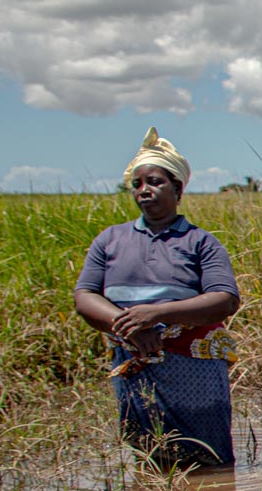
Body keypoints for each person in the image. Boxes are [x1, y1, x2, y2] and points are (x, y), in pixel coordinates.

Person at [74, 127, 240, 468]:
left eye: (154, 182)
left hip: (193, 366)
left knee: (208, 457)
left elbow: (224, 299)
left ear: (178, 189)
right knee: (149, 455)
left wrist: (155, 314)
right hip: (134, 357)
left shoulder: (200, 242)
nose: (144, 191)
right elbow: (85, 296)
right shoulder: (110, 240)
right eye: (137, 184)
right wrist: (129, 328)